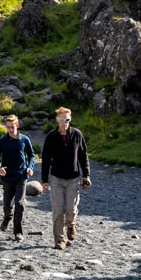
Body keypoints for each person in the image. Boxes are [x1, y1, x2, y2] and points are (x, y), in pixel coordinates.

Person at [39, 106, 91, 250]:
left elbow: (83, 155)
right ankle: (59, 240)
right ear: (57, 119)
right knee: (58, 210)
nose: (65, 122)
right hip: (56, 179)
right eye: (62, 119)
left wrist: (86, 175)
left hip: (73, 178)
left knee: (71, 209)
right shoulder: (51, 136)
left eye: (67, 119)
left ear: (70, 119)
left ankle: (71, 225)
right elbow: (46, 159)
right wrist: (44, 180)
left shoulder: (77, 134)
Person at [0, 114, 35, 241]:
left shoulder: (24, 139)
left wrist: (30, 167)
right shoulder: (2, 141)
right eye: (8, 127)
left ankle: (18, 232)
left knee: (20, 204)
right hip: (7, 177)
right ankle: (7, 218)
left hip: (21, 176)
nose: (10, 130)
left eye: (13, 127)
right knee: (7, 206)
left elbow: (31, 155)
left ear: (17, 125)